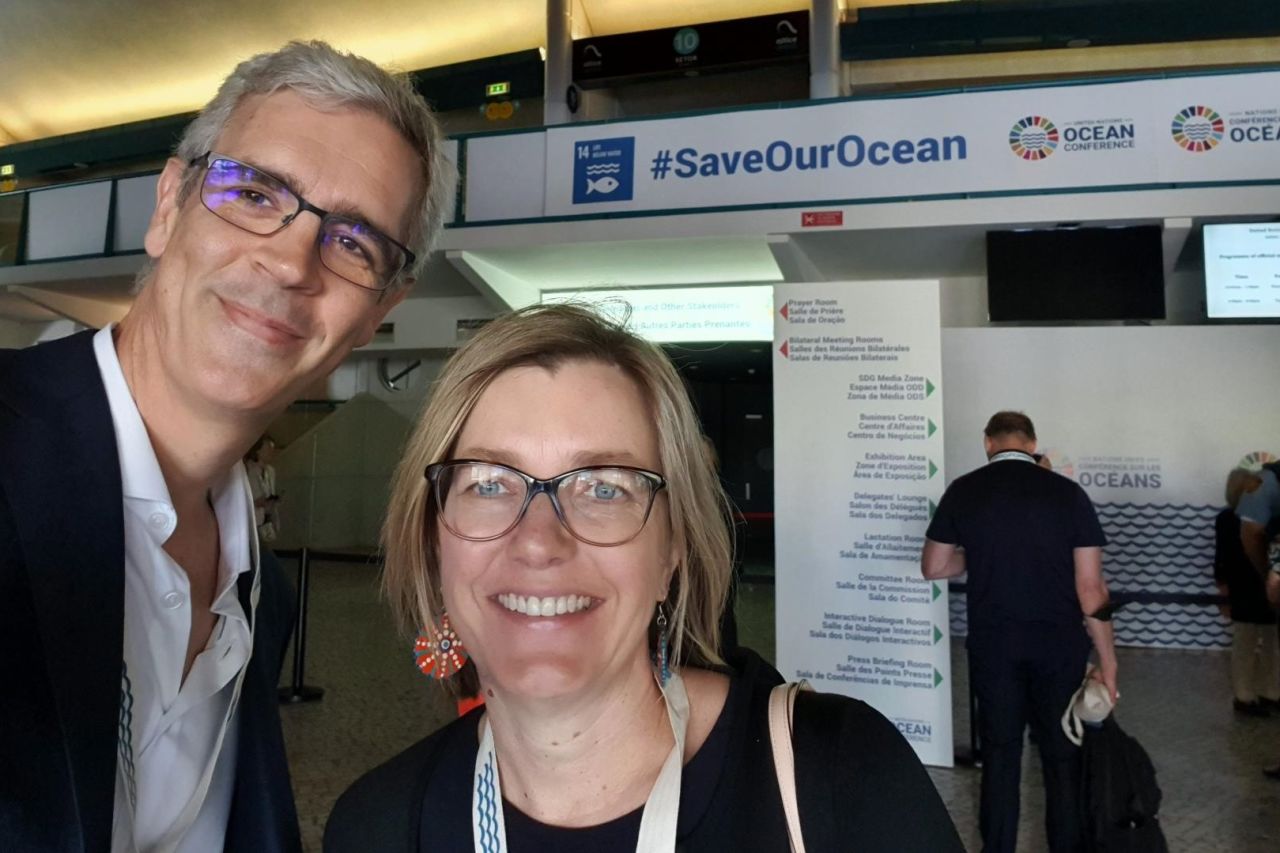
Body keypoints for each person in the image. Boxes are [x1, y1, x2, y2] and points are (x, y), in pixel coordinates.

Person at [0, 41, 452, 852]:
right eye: (253, 192)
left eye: (353, 242)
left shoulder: (260, 597)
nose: (288, 262)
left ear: (383, 307)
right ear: (169, 204)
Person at [325, 303, 964, 852]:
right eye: (489, 483)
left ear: (673, 550)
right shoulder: (375, 826)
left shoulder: (843, 779)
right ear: (432, 534)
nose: (539, 542)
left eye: (605, 487)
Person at [921, 411, 1117, 853]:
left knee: (1000, 756)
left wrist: (984, 556)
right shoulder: (1068, 494)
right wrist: (1109, 661)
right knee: (1062, 756)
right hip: (1059, 647)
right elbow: (1091, 589)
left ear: (988, 443)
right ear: (1032, 444)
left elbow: (933, 567)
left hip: (993, 646)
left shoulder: (964, 490)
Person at [1213, 469, 1278, 716]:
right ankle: (1267, 692)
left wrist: (1223, 588)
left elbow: (1221, 558)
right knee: (1269, 643)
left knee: (1245, 643)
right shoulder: (1267, 517)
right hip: (1261, 584)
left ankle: (1246, 696)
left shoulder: (1225, 518)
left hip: (1244, 586)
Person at [247, 435, 283, 544]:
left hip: (267, 519)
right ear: (258, 451)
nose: (271, 452)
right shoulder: (249, 470)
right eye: (268, 449)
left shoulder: (271, 471)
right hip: (253, 519)